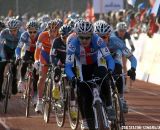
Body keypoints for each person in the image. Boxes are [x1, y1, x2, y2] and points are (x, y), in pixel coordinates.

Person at [65, 20, 115, 130]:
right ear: (77, 35)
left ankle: (109, 105)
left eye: (87, 37)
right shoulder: (72, 44)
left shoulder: (98, 41)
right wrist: (72, 78)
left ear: (92, 35)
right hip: (81, 66)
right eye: (81, 37)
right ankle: (87, 121)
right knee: (84, 95)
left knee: (104, 77)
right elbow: (68, 66)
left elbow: (109, 59)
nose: (84, 40)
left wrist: (110, 70)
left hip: (96, 63)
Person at [94, 20, 137, 113]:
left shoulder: (116, 41)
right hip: (101, 60)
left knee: (118, 70)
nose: (101, 40)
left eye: (104, 37)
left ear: (109, 36)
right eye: (98, 37)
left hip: (114, 59)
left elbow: (132, 58)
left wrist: (133, 69)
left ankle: (121, 98)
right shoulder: (92, 43)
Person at [34, 19, 59, 113]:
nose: (52, 33)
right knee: (42, 77)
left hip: (55, 56)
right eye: (50, 30)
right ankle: (39, 101)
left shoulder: (60, 36)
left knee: (58, 74)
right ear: (47, 30)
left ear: (58, 31)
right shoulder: (42, 35)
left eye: (54, 31)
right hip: (44, 55)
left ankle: (56, 90)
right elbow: (38, 50)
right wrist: (37, 60)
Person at [15, 20, 40, 99]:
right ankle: (21, 80)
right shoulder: (24, 35)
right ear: (27, 31)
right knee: (24, 63)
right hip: (27, 52)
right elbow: (18, 48)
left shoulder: (40, 35)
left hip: (37, 54)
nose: (32, 34)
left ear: (38, 30)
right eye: (30, 32)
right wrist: (17, 56)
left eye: (34, 32)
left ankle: (35, 94)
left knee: (36, 74)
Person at [0, 19, 22, 100]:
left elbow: (21, 47)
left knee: (14, 67)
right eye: (11, 30)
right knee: (0, 70)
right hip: (6, 50)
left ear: (18, 29)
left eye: (14, 30)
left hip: (15, 51)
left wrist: (19, 56)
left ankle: (14, 83)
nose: (12, 32)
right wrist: (2, 57)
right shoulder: (3, 33)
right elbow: (1, 46)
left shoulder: (21, 34)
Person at [115, 21, 135, 92]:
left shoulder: (126, 34)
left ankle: (125, 85)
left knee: (124, 66)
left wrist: (132, 47)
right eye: (120, 31)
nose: (122, 32)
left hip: (123, 50)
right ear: (117, 30)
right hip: (115, 50)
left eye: (124, 31)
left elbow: (130, 42)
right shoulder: (114, 34)